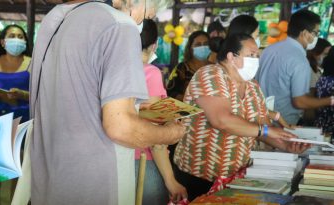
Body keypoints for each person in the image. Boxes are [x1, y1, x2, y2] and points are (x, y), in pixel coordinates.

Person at [29, 1, 185, 205]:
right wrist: (170, 134)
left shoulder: (57, 18)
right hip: (96, 185)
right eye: (147, 15)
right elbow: (121, 127)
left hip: (48, 178)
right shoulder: (120, 25)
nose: (141, 23)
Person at [173, 33, 310, 201]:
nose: (256, 60)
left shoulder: (252, 86)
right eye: (251, 55)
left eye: (257, 56)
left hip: (234, 179)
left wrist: (286, 145)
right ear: (232, 56)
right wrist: (266, 131)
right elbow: (221, 120)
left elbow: (262, 125)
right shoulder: (210, 75)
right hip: (199, 177)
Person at [256, 10, 334, 125]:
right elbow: (299, 102)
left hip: (260, 120)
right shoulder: (299, 60)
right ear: (305, 33)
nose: (316, 37)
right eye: (316, 33)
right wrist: (333, 100)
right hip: (282, 125)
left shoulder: (269, 50)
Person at [135, 19, 187, 204]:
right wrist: (171, 180)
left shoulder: (110, 70)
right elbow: (155, 134)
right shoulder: (150, 73)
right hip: (143, 162)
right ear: (155, 44)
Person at [0, 24, 31, 122]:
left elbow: (43, 95)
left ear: (25, 42)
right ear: (2, 42)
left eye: (20, 37)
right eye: (12, 36)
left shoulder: (33, 64)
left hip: (24, 119)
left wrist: (21, 94)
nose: (16, 40)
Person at [167, 30, 210, 101]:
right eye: (198, 44)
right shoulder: (181, 68)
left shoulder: (215, 67)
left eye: (206, 44)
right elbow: (170, 92)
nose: (203, 47)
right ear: (190, 47)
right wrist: (191, 101)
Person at [303, 38, 331, 125]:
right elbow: (310, 97)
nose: (327, 58)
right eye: (325, 54)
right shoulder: (309, 71)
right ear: (314, 52)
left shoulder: (316, 70)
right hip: (309, 117)